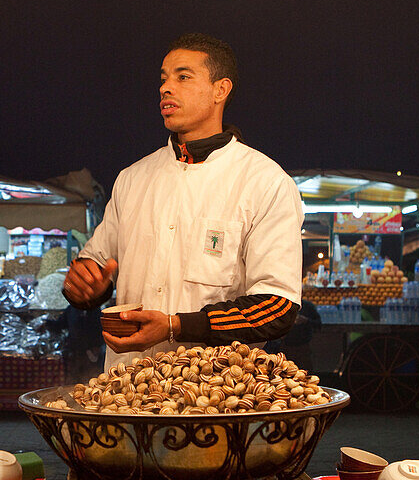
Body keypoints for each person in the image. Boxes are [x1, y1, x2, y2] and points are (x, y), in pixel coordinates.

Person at [63, 33, 303, 369]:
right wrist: (85, 288)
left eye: (183, 77)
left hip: (215, 396)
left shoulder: (265, 182)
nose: (165, 88)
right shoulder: (133, 179)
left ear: (221, 90)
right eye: (163, 79)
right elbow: (94, 273)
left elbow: (277, 307)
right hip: (128, 392)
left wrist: (175, 326)